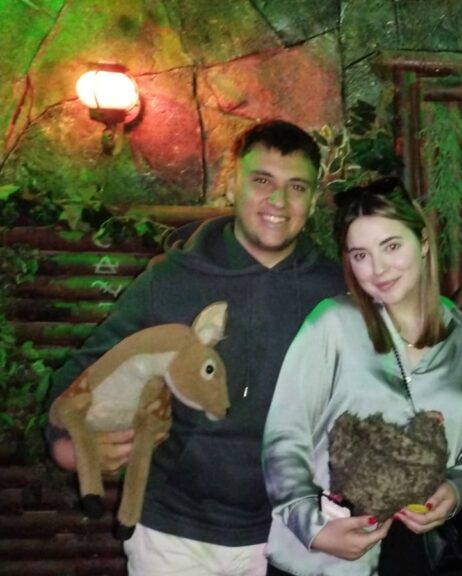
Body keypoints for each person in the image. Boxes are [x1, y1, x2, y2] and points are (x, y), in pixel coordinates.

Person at [44, 120, 344, 575]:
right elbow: (87, 370)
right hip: (173, 533)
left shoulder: (337, 292)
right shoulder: (170, 279)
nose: (279, 201)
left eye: (296, 187)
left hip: (289, 531)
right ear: (232, 184)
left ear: (314, 198)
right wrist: (65, 445)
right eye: (262, 181)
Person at [261, 177, 462, 576]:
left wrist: (457, 489)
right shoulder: (332, 325)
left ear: (423, 242)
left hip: (427, 555)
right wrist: (313, 527)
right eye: (361, 255)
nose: (378, 269)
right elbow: (283, 439)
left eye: (392, 246)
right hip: (327, 557)